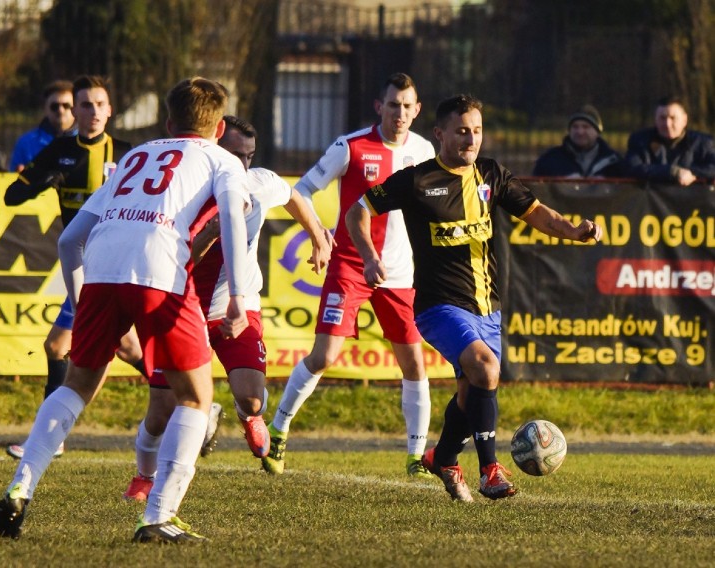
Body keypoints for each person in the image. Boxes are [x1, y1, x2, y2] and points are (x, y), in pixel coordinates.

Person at [0, 76, 251, 544]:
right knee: (195, 397)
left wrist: (79, 296)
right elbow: (232, 216)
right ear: (219, 127)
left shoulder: (134, 155)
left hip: (102, 268)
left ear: (169, 121)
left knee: (77, 385)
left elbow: (70, 239)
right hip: (161, 269)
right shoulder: (222, 158)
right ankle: (157, 515)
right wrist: (240, 298)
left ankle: (20, 486)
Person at [345, 94, 603, 502]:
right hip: (437, 306)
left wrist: (574, 231)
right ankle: (490, 470)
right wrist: (369, 258)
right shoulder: (417, 180)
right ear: (440, 134)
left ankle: (444, 457)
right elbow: (356, 211)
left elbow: (536, 212)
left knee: (471, 394)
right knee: (485, 368)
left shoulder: (491, 175)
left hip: (488, 308)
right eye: (462, 130)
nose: (471, 139)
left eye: (477, 130)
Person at [122, 116, 332, 502]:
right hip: (182, 310)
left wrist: (317, 236)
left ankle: (247, 414)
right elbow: (178, 257)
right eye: (236, 155)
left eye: (249, 156)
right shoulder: (184, 192)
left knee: (252, 397)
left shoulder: (256, 182)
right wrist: (211, 232)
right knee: (160, 412)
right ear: (214, 147)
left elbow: (291, 196)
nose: (244, 165)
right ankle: (143, 476)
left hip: (237, 306)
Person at [261, 72, 437, 479]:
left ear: (417, 110)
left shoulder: (426, 151)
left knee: (414, 363)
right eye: (393, 105)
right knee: (325, 356)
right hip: (352, 265)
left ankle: (415, 457)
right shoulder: (351, 146)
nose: (400, 113)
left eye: (408, 106)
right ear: (380, 107)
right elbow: (301, 190)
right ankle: (279, 428)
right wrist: (318, 232)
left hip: (400, 272)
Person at [2, 75, 140, 460]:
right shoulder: (58, 151)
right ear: (74, 111)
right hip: (87, 265)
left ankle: (51, 439)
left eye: (100, 104)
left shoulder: (131, 155)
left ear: (110, 109)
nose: (93, 111)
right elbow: (12, 196)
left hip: (113, 265)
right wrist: (39, 182)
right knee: (126, 348)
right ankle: (189, 401)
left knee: (59, 345)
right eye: (85, 105)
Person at [626, 96, 715, 185]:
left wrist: (690, 173)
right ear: (655, 119)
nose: (667, 124)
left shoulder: (703, 143)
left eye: (673, 118)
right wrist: (672, 172)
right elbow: (632, 168)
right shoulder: (640, 140)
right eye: (662, 118)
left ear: (684, 120)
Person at [532, 105, 626, 178]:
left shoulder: (614, 161)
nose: (580, 132)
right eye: (575, 127)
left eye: (586, 127)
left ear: (597, 132)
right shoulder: (550, 160)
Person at [9, 79, 77, 172]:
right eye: (54, 106)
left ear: (76, 108)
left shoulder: (86, 140)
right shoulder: (25, 143)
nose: (60, 110)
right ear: (45, 109)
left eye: (66, 105)